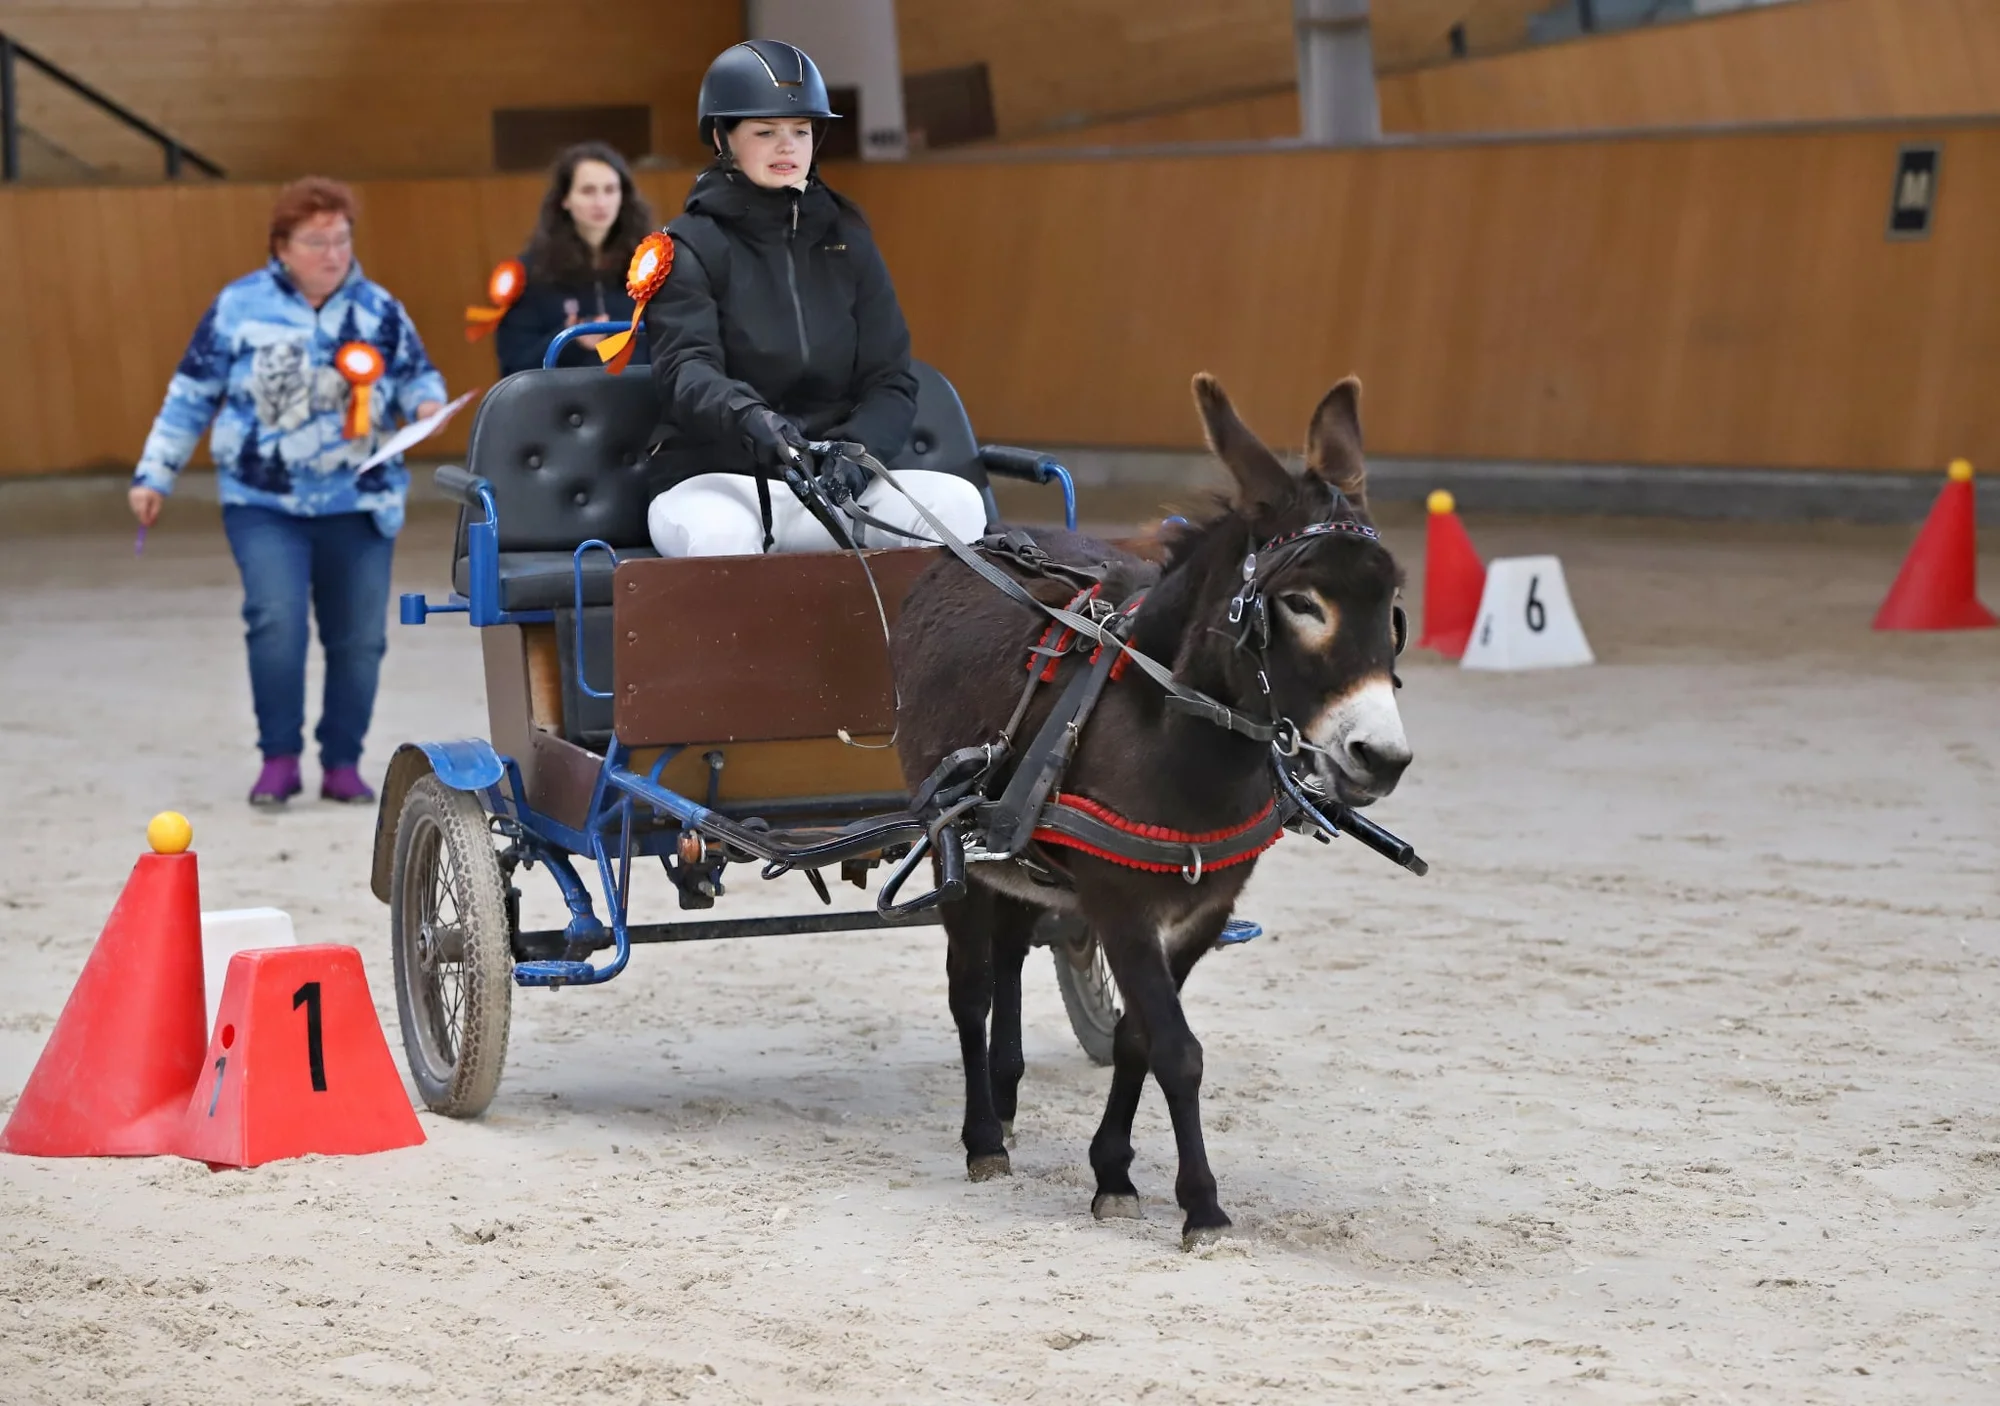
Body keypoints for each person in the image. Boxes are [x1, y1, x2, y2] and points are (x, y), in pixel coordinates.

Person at [129, 177, 447, 808]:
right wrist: (154, 473)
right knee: (275, 623)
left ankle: (343, 762)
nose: (333, 253)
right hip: (262, 501)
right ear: (281, 248)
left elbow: (418, 377)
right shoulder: (237, 307)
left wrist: (427, 403)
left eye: (341, 238)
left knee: (359, 638)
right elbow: (190, 395)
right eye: (316, 241)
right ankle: (278, 757)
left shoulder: (381, 310)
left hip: (360, 502)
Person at [643, 39, 988, 557]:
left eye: (800, 132)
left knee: (957, 504)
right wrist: (753, 420)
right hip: (723, 479)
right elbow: (686, 372)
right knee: (721, 538)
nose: (788, 147)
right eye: (765, 132)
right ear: (722, 138)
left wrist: (855, 453)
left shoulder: (849, 235)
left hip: (837, 483)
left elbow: (891, 377)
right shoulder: (687, 246)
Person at [493, 143, 658, 376]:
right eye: (588, 191)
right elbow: (513, 368)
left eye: (610, 190)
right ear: (565, 199)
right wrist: (569, 340)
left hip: (640, 398)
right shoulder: (532, 274)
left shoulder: (649, 266)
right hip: (562, 405)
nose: (601, 203)